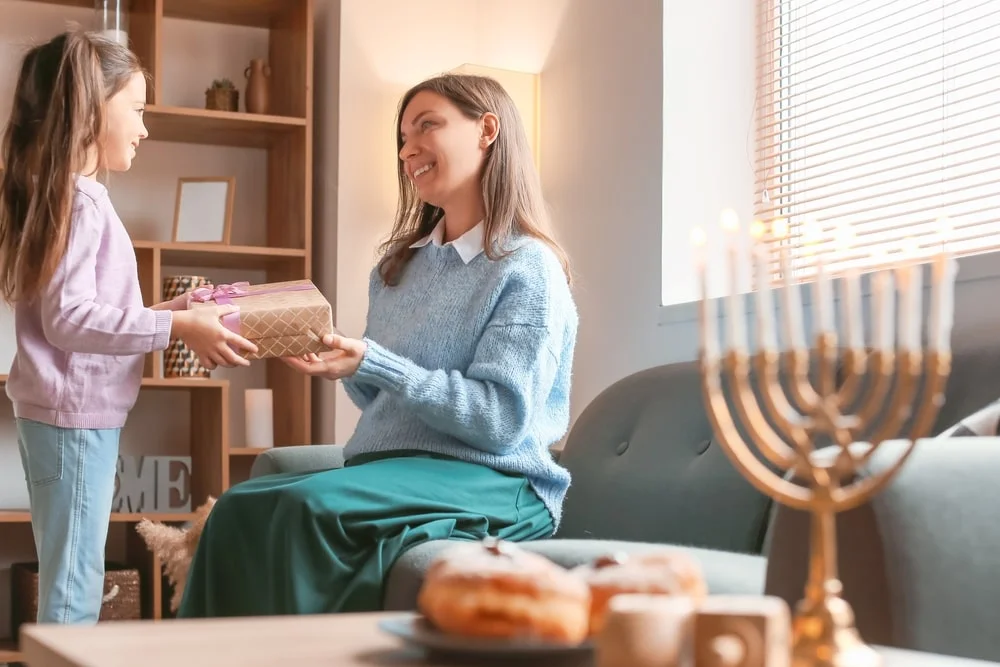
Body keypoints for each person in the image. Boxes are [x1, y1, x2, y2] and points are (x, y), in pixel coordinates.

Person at [177, 72, 579, 617]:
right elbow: (383, 401)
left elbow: (500, 421)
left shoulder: (527, 267)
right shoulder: (399, 266)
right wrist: (348, 367)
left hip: (492, 478)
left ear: (488, 129)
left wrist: (376, 362)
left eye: (426, 126)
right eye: (402, 137)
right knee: (236, 508)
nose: (408, 148)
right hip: (390, 467)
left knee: (302, 506)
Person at [0, 30, 258, 625]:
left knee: (71, 572)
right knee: (74, 585)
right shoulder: (82, 203)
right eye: (137, 110)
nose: (144, 128)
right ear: (91, 109)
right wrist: (177, 329)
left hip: (67, 415)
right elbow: (71, 320)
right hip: (75, 418)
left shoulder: (65, 196)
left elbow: (77, 314)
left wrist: (173, 313)